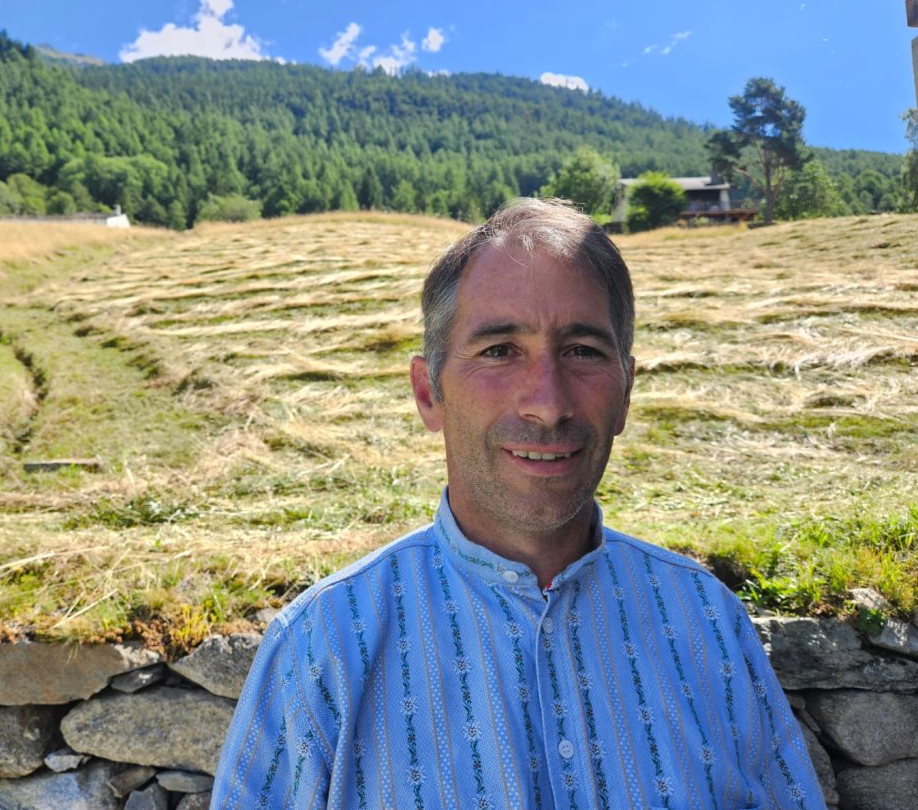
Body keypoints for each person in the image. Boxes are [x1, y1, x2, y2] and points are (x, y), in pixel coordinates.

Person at [210, 198, 826, 809]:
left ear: (627, 391)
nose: (548, 403)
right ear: (429, 393)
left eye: (583, 351)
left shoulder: (708, 622)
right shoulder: (322, 649)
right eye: (499, 350)